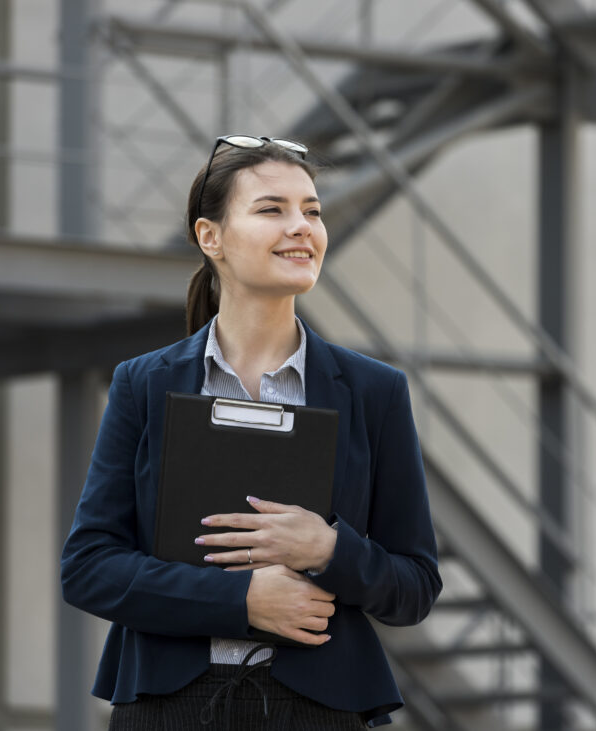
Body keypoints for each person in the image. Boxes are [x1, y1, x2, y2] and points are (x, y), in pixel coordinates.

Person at [61, 135, 442, 729]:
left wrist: (329, 549)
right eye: (272, 209)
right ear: (210, 237)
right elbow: (89, 568)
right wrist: (240, 602)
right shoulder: (144, 384)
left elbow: (415, 586)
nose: (302, 227)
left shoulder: (374, 392)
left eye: (311, 211)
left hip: (320, 709)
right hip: (167, 707)